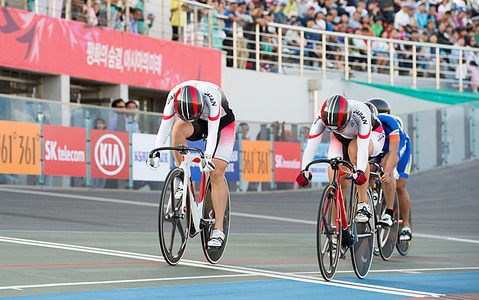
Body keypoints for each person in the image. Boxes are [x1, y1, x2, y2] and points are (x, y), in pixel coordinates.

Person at [147, 80, 236, 248]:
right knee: (177, 130)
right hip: (196, 122)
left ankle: (218, 229)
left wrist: (208, 158)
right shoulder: (174, 95)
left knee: (216, 173)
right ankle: (182, 179)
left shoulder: (212, 96)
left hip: (222, 124)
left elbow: (213, 130)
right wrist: (155, 152)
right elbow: (164, 127)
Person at [296, 94, 385, 224]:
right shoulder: (321, 115)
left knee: (354, 150)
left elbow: (362, 148)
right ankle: (336, 232)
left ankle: (362, 204)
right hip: (341, 138)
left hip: (372, 135)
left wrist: (359, 171)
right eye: (331, 128)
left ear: (348, 118)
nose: (335, 130)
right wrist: (304, 170)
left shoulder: (360, 112)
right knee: (335, 178)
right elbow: (311, 146)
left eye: (339, 127)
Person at [366, 98, 412, 241]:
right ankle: (371, 193)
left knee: (399, 185)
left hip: (398, 147)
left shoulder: (391, 121)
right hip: (380, 146)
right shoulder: (366, 121)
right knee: (368, 166)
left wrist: (388, 171)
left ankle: (403, 224)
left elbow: (394, 154)